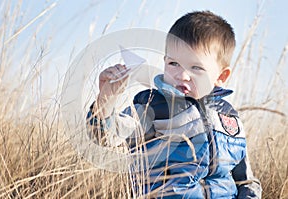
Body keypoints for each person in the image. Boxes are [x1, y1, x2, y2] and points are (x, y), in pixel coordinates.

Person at [87, 11, 262, 198]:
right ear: (164, 62)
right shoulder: (153, 106)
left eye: (196, 68)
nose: (182, 75)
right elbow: (108, 136)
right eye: (174, 63)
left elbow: (245, 179)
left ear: (221, 76)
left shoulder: (228, 116)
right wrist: (106, 99)